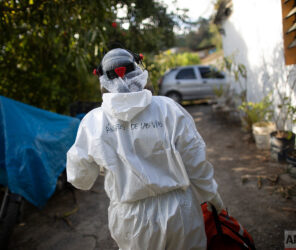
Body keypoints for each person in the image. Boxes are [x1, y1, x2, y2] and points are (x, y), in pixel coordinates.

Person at [66, 48, 224, 250]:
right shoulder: (168, 108)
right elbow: (195, 162)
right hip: (180, 213)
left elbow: (80, 179)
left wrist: (107, 160)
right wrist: (213, 199)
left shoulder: (93, 122)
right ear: (138, 70)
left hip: (131, 220)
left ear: (103, 80)